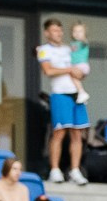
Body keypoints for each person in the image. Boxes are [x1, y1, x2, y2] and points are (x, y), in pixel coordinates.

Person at [38, 19, 89, 184]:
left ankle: (75, 170)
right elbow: (48, 70)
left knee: (77, 133)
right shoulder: (43, 50)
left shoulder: (69, 49)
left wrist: (81, 71)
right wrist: (69, 69)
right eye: (54, 30)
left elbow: (80, 68)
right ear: (47, 33)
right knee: (59, 132)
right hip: (60, 94)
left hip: (76, 93)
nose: (58, 34)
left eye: (60, 30)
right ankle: (55, 169)